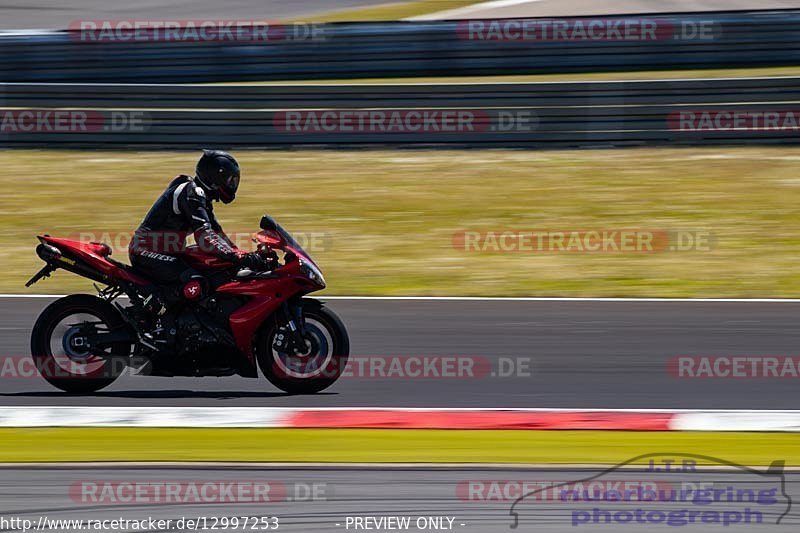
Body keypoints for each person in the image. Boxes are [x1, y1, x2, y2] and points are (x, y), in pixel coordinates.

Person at [129, 149, 267, 314]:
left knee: (213, 272)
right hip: (146, 250)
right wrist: (236, 256)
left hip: (170, 251)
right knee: (196, 282)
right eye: (230, 180)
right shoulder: (192, 192)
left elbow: (218, 234)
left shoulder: (202, 198)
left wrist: (243, 257)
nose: (232, 185)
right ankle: (155, 308)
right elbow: (204, 236)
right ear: (216, 177)